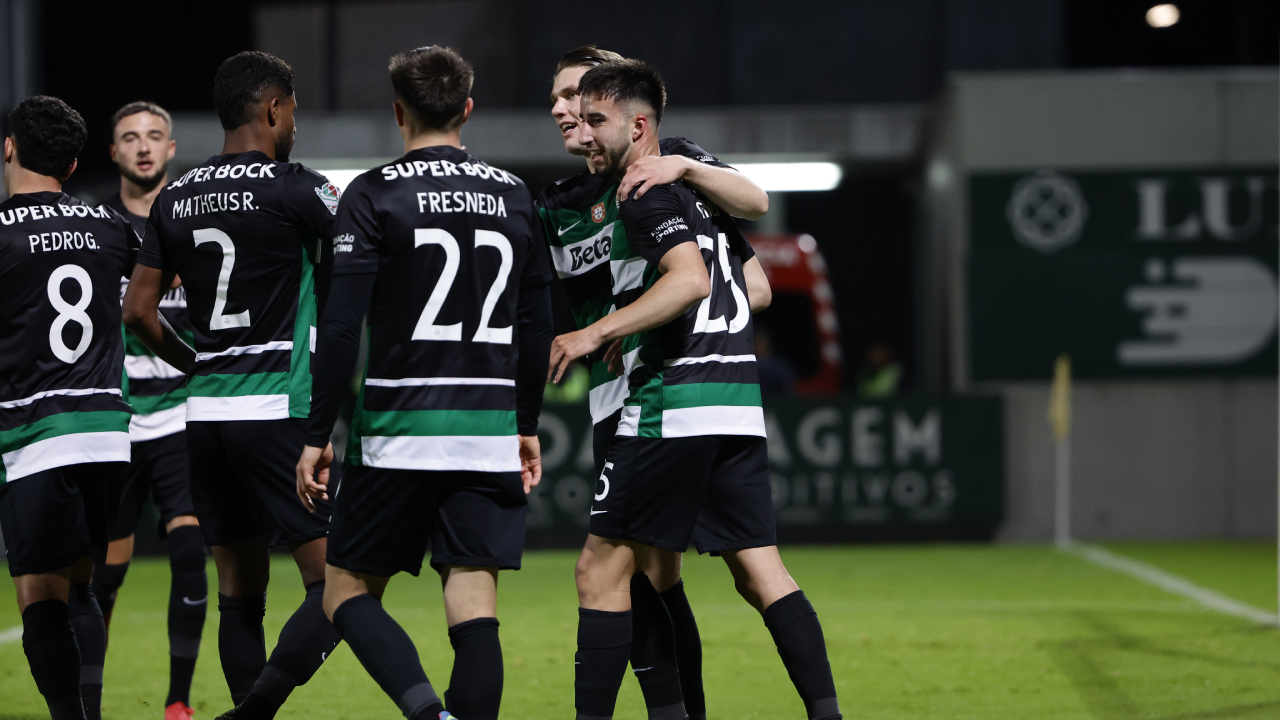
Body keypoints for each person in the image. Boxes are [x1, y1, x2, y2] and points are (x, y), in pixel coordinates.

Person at [547, 60, 843, 720]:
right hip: (731, 398)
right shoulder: (588, 197)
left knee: (607, 572)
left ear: (631, 120)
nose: (570, 114)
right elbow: (753, 286)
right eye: (563, 102)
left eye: (585, 104)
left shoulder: (650, 180)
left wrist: (604, 329)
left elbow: (694, 276)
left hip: (662, 400)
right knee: (753, 571)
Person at [295, 45, 553, 720]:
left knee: (344, 592)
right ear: (467, 109)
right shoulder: (514, 194)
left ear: (398, 111)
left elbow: (341, 329)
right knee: (475, 610)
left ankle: (425, 713)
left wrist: (318, 434)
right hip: (487, 434)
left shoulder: (374, 193)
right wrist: (526, 424)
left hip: (398, 434)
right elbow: (536, 325)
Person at [121, 51, 342, 720]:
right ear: (273, 109)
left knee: (240, 595)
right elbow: (369, 249)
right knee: (338, 588)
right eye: (294, 111)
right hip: (277, 408)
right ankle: (253, 714)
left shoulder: (177, 197)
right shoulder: (299, 188)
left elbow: (137, 311)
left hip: (205, 417)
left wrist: (196, 365)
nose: (295, 125)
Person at [0, 95, 138, 720]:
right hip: (109, 437)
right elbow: (155, 296)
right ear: (75, 164)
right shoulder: (112, 227)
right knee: (81, 584)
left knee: (40, 598)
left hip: (39, 437)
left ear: (9, 148)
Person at [92, 100, 206, 720]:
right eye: (130, 137)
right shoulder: (95, 232)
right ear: (113, 153)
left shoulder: (191, 224)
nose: (142, 146)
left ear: (170, 149)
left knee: (191, 555)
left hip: (179, 417)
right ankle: (90, 698)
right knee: (105, 575)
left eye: (154, 136)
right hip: (114, 419)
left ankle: (177, 703)